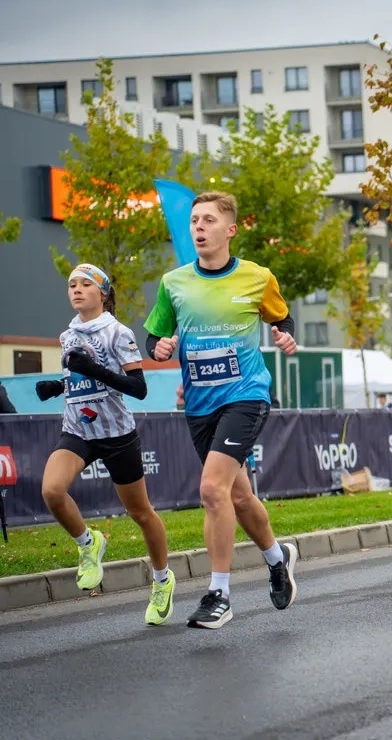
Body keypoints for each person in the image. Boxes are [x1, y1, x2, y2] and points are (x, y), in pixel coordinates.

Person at [144, 191, 299, 630]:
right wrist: (158, 347)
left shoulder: (257, 277)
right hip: (199, 403)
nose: (198, 227)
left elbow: (281, 318)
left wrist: (285, 336)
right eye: (194, 220)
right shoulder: (174, 283)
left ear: (229, 230)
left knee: (212, 490)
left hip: (247, 396)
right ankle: (277, 558)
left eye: (208, 220)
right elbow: (153, 339)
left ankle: (219, 595)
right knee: (238, 495)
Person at [32, 264, 175, 625]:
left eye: (85, 284)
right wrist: (58, 387)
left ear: (103, 293)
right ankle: (88, 544)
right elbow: (80, 377)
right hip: (77, 430)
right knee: (51, 490)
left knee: (141, 513)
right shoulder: (67, 334)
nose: (77, 290)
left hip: (115, 434)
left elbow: (137, 388)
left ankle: (162, 580)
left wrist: (92, 370)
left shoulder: (118, 331)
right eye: (71, 285)